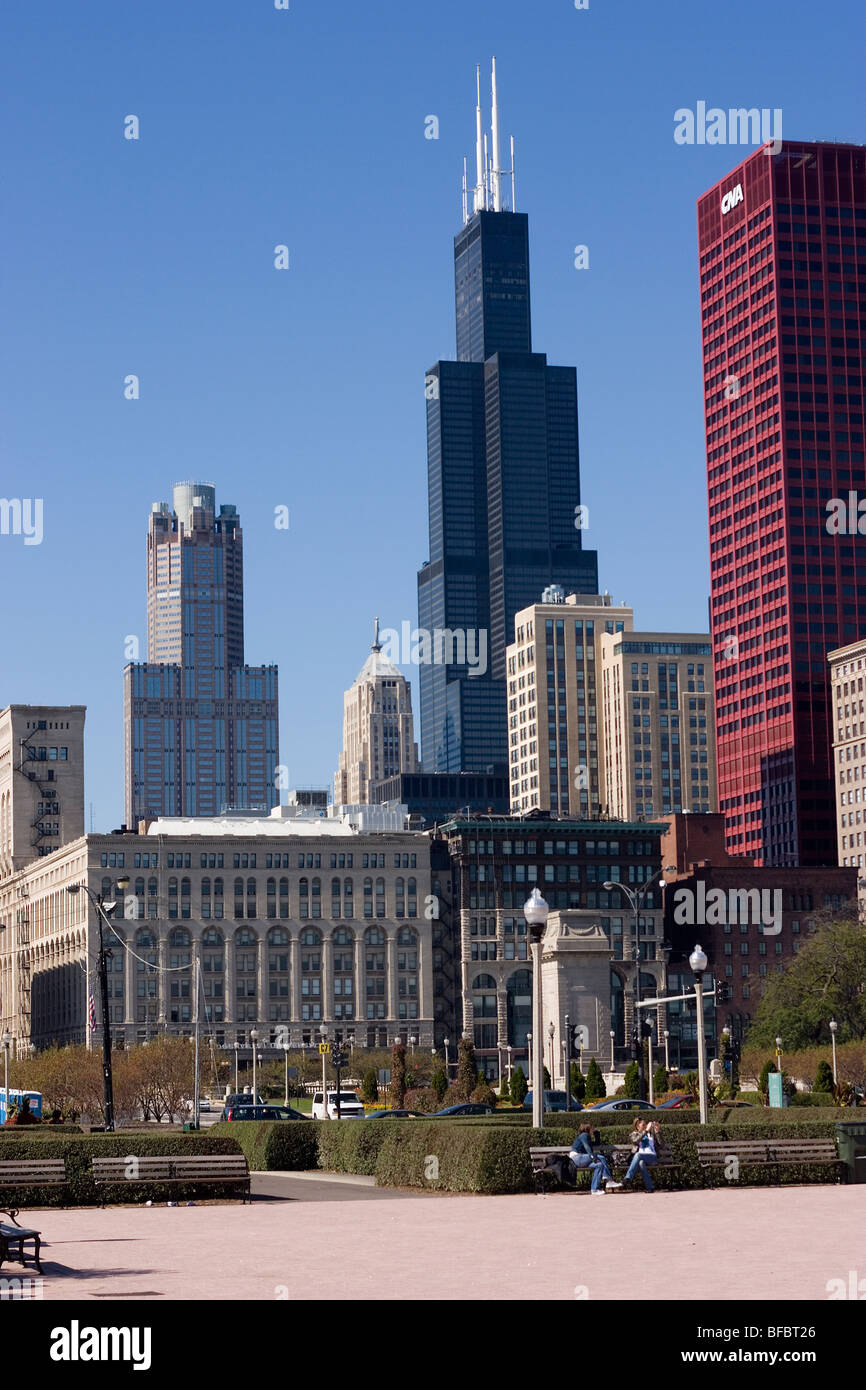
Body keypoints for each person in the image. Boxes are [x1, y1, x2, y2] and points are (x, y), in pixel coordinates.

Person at [569, 1122, 622, 1195]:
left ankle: (594, 1189)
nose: (593, 1129)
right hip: (577, 1158)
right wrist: (592, 1157)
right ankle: (609, 1180)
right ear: (587, 1129)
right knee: (601, 1157)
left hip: (582, 1159)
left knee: (599, 1165)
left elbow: (596, 1144)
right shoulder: (584, 1135)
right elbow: (587, 1147)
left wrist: (597, 1135)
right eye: (592, 1128)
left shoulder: (587, 1136)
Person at [625, 1118, 660, 1192]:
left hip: (652, 1157)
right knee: (641, 1163)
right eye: (643, 1125)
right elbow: (635, 1141)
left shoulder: (651, 1134)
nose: (645, 1126)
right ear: (638, 1127)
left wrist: (657, 1132)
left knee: (638, 1155)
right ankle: (650, 1187)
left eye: (646, 1124)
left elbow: (661, 1145)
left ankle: (628, 1177)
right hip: (642, 1157)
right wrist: (646, 1131)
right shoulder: (633, 1134)